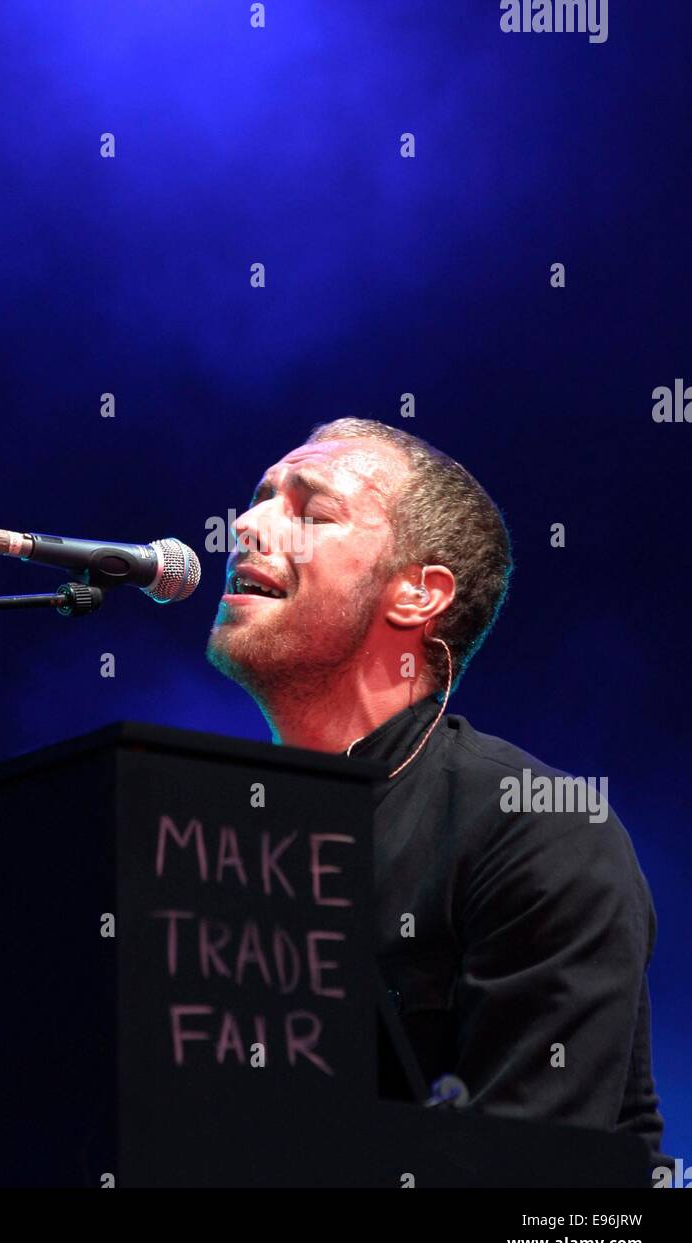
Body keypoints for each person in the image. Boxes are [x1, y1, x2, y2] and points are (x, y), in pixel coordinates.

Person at [206, 416, 668, 1174]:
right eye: (257, 500)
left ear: (418, 596)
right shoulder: (228, 838)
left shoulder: (535, 830)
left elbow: (530, 1184)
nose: (248, 525)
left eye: (311, 512)